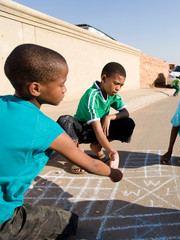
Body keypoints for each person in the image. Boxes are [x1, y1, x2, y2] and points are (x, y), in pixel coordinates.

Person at [0, 44, 123, 239]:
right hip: (3, 220)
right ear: (35, 88)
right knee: (69, 221)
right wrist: (113, 173)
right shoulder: (45, 128)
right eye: (61, 84)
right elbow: (91, 164)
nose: (65, 89)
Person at [57, 62, 135, 174]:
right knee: (65, 120)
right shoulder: (92, 95)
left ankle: (96, 147)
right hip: (83, 130)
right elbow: (98, 130)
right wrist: (112, 152)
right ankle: (77, 156)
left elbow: (125, 113)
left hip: (97, 130)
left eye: (121, 85)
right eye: (116, 83)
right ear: (104, 78)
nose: (118, 88)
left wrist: (109, 117)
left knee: (128, 123)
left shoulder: (113, 95)